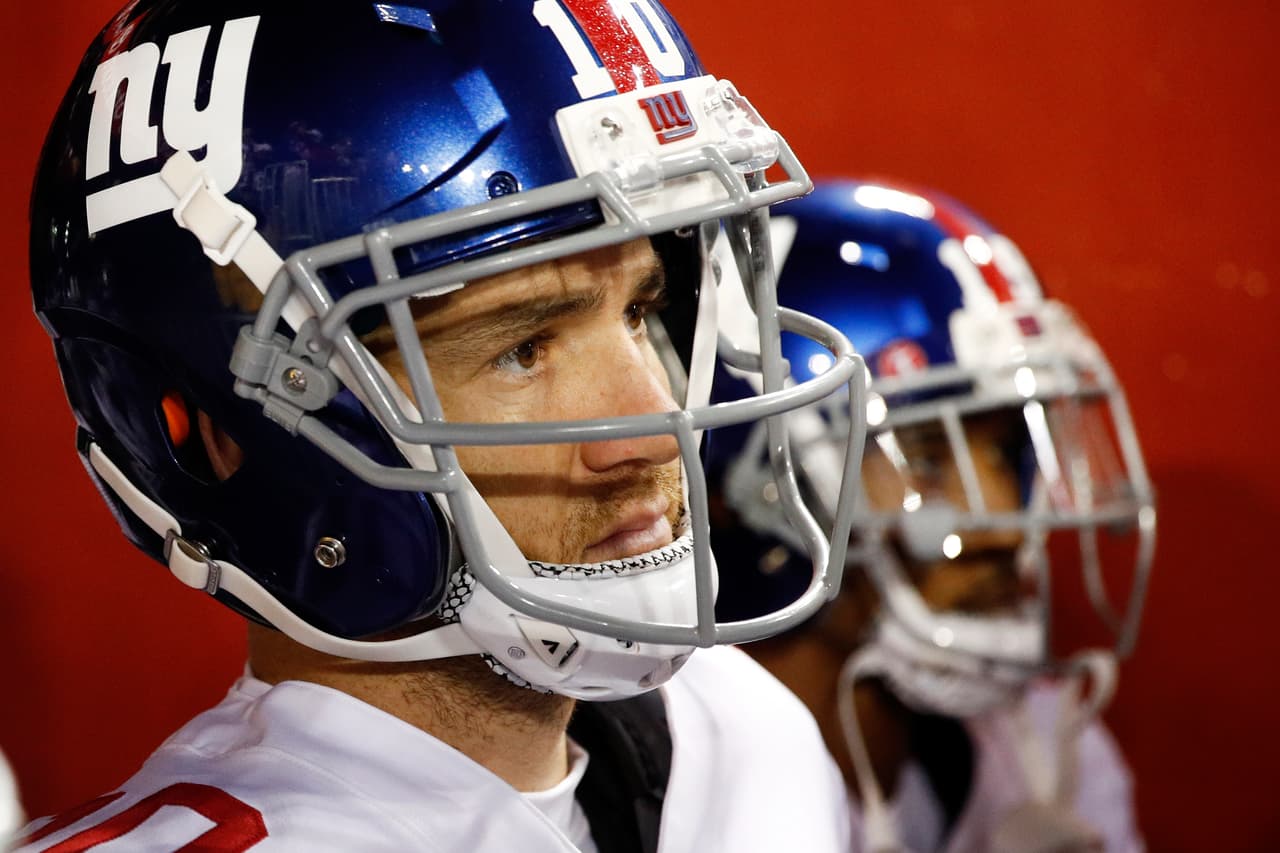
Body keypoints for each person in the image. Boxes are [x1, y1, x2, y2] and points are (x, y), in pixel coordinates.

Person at [17, 2, 867, 851]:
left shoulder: (746, 740)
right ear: (220, 432)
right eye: (521, 349)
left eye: (641, 310)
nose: (653, 428)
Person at [709, 179, 1156, 852]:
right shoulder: (679, 777)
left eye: (1004, 452)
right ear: (769, 479)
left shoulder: (1041, 743)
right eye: (926, 455)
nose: (1004, 517)